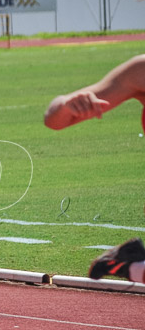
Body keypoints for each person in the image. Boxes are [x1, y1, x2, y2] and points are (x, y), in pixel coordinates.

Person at [43, 54, 145, 284]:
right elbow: (54, 119)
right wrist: (66, 105)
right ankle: (130, 266)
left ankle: (130, 265)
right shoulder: (141, 70)